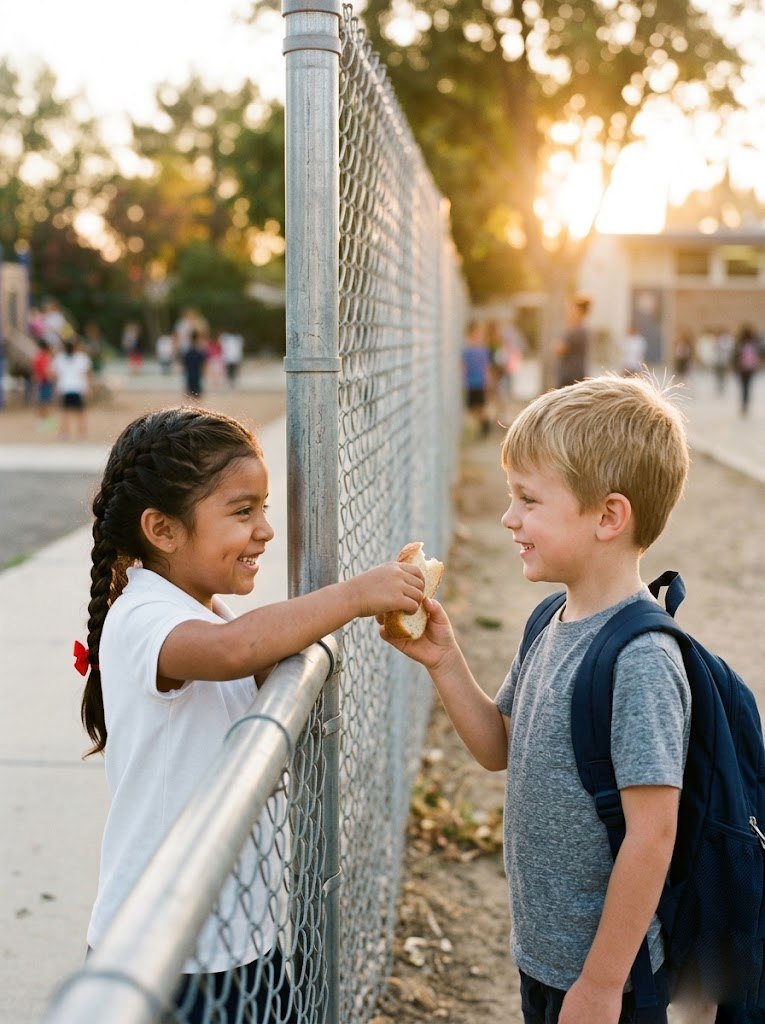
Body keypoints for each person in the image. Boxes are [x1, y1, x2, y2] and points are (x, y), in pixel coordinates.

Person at [79, 406, 425, 1022]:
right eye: (243, 512)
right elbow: (235, 652)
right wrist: (351, 595)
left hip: (240, 939)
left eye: (264, 508)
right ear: (162, 529)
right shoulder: (143, 618)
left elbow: (252, 665)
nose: (265, 529)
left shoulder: (202, 610)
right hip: (167, 958)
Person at [381, 374, 692, 1024]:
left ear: (608, 516)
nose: (508, 517)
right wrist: (443, 658)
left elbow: (651, 835)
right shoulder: (549, 618)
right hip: (546, 958)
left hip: (613, 977)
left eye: (527, 499)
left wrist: (602, 985)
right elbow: (498, 746)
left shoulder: (639, 659)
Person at [52, 337, 92, 440]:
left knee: (65, 412)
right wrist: (88, 387)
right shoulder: (82, 358)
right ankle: (82, 434)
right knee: (80, 413)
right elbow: (86, 374)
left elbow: (56, 374)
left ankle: (64, 433)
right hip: (77, 387)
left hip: (65, 387)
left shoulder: (59, 358)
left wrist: (56, 387)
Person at [462, 320, 493, 438]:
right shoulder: (466, 350)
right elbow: (463, 366)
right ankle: (482, 424)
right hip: (470, 382)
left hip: (480, 382)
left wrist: (488, 381)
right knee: (471, 408)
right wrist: (463, 380)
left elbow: (486, 367)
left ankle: (485, 425)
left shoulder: (483, 350)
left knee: (480, 406)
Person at [555, 293, 592, 388]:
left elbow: (560, 349)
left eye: (571, 309)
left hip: (571, 378)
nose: (568, 312)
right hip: (577, 376)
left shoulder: (576, 330)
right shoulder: (584, 328)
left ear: (578, 311)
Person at [733, 323, 761, 416]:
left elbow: (736, 356)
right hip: (750, 368)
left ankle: (744, 404)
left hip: (742, 368)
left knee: (743, 386)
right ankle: (746, 403)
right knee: (747, 386)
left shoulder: (740, 343)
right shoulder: (753, 343)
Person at [32, 338, 56, 431]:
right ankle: (43, 423)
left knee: (43, 402)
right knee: (45, 403)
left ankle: (43, 422)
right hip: (45, 382)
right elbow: (46, 371)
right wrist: (51, 377)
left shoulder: (38, 357)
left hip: (41, 382)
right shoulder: (43, 357)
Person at [182, 328, 208, 399]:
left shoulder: (187, 350)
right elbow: (203, 362)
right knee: (197, 394)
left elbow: (184, 362)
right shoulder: (199, 350)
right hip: (196, 373)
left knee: (189, 394)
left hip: (190, 373)